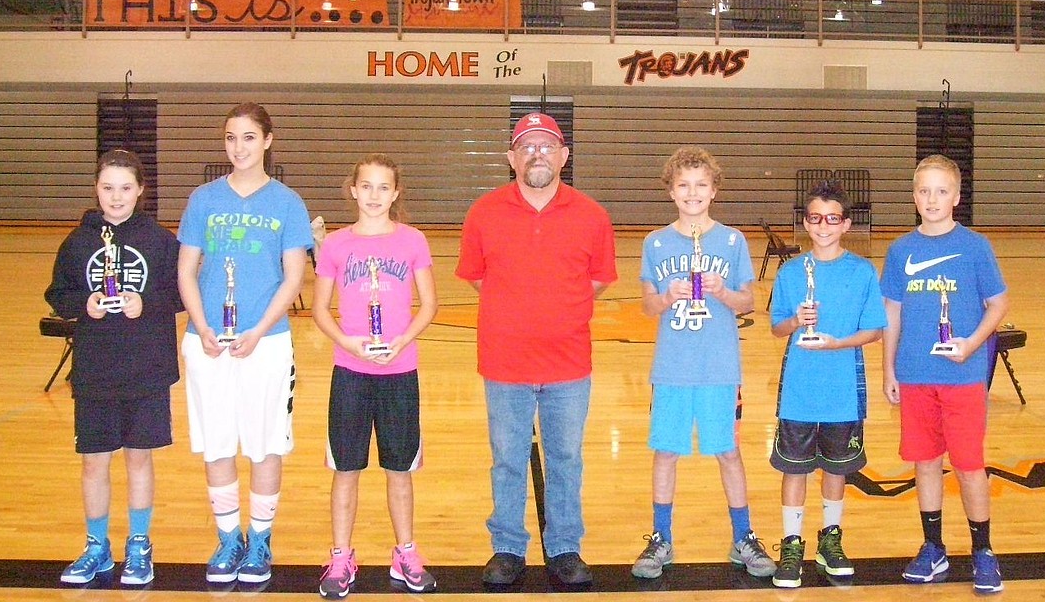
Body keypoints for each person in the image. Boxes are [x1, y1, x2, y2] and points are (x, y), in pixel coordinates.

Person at [456, 112, 617, 588]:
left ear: (564, 156)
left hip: (569, 365)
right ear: (511, 158)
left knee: (566, 458)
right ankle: (507, 547)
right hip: (505, 364)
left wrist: (557, 310)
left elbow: (600, 280)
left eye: (547, 146)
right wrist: (521, 311)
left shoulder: (592, 215)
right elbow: (479, 278)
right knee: (507, 458)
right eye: (527, 147)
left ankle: (564, 546)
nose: (537, 154)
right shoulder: (483, 213)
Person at [177, 102, 313, 585]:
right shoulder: (203, 200)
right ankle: (228, 537)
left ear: (267, 141)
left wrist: (258, 330)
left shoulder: (287, 203)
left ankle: (260, 539)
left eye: (249, 138)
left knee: (265, 444)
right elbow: (185, 270)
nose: (239, 147)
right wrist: (201, 325)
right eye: (231, 138)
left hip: (266, 341)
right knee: (216, 443)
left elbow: (294, 277)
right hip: (208, 342)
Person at [631, 146, 776, 581]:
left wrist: (722, 292)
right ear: (671, 192)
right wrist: (667, 296)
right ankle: (660, 537)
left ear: (714, 190)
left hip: (719, 368)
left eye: (700, 185)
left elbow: (749, 300)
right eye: (683, 186)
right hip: (672, 368)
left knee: (728, 452)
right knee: (666, 453)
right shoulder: (655, 243)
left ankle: (743, 535)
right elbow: (646, 307)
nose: (692, 193)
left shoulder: (731, 241)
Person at [45, 149, 182, 587]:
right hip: (96, 371)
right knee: (94, 464)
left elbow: (183, 294)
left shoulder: (162, 242)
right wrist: (83, 305)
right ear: (96, 190)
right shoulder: (78, 241)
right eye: (108, 188)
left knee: (139, 460)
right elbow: (58, 294)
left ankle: (139, 545)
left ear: (141, 190)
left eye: (126, 188)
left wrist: (149, 302)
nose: (116, 197)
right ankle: (96, 546)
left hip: (147, 370)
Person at [880, 154, 1008, 595]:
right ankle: (933, 547)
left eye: (940, 191)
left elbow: (999, 305)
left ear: (956, 196)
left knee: (970, 466)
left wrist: (971, 345)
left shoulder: (975, 246)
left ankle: (983, 551)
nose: (931, 199)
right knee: (925, 463)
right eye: (923, 191)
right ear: (914, 196)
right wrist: (888, 369)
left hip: (963, 377)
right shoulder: (900, 251)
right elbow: (891, 314)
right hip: (915, 375)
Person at [312, 155, 439, 598]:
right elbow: (318, 310)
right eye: (366, 186)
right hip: (350, 371)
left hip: (400, 371)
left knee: (399, 469)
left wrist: (401, 341)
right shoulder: (335, 246)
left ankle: (405, 552)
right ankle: (341, 556)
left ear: (396, 193)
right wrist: (347, 343)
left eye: (383, 187)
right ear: (353, 189)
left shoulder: (413, 241)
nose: (374, 195)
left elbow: (430, 305)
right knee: (346, 469)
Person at [767, 181, 886, 588]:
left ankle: (830, 539)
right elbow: (777, 328)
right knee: (795, 469)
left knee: (837, 470)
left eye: (832, 219)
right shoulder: (790, 271)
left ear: (846, 224)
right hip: (799, 392)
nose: (823, 226)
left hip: (841, 394)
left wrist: (837, 342)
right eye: (816, 218)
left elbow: (873, 331)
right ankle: (791, 542)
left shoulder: (862, 271)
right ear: (805, 223)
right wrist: (796, 321)